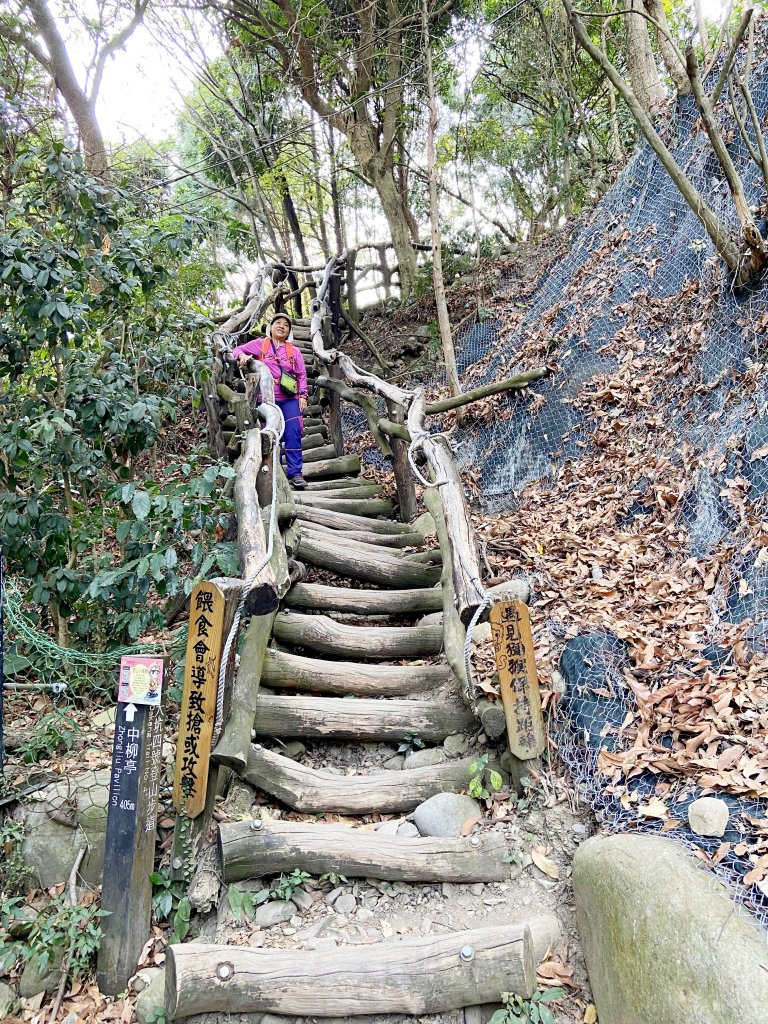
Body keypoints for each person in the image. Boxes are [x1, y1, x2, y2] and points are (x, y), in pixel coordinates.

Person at [231, 312, 309, 488]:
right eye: (278, 323)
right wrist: (241, 356)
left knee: (293, 431)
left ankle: (295, 473)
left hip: (289, 398)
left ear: (289, 331)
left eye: (286, 325)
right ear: (271, 327)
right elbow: (237, 350)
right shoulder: (261, 344)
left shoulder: (294, 351)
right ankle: (275, 470)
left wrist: (303, 396)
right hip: (266, 398)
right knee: (270, 432)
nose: (282, 326)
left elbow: (301, 374)